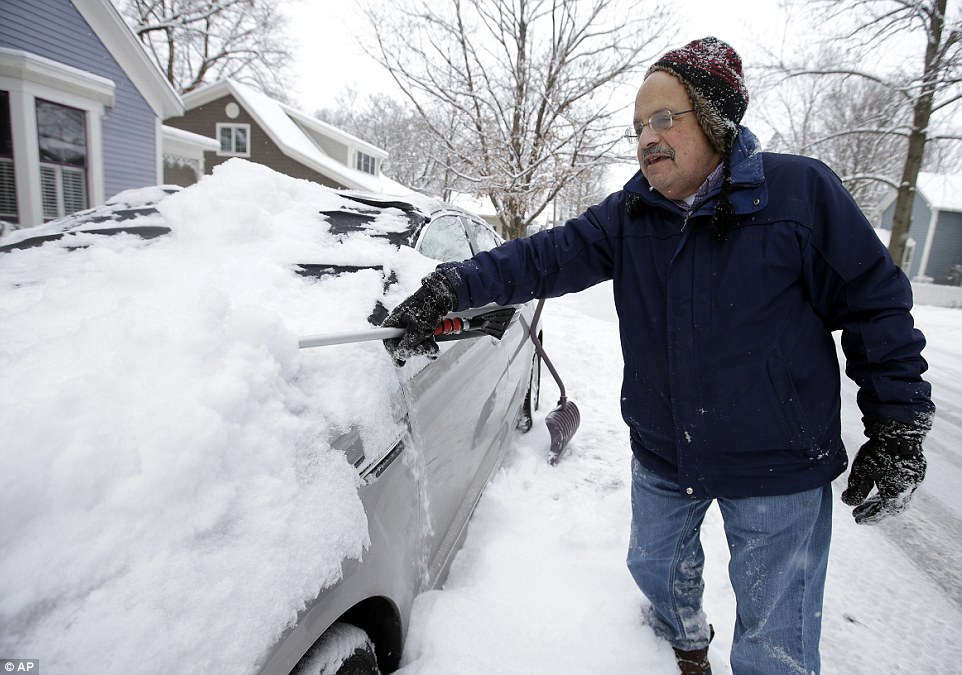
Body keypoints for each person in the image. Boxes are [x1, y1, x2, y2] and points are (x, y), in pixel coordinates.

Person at [382, 37, 935, 675]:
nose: (648, 136)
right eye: (639, 125)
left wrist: (896, 428)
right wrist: (455, 286)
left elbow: (876, 306)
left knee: (774, 636)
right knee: (653, 567)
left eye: (666, 118)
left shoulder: (800, 196)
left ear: (717, 119)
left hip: (778, 465)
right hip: (665, 450)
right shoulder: (631, 214)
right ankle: (682, 646)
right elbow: (542, 258)